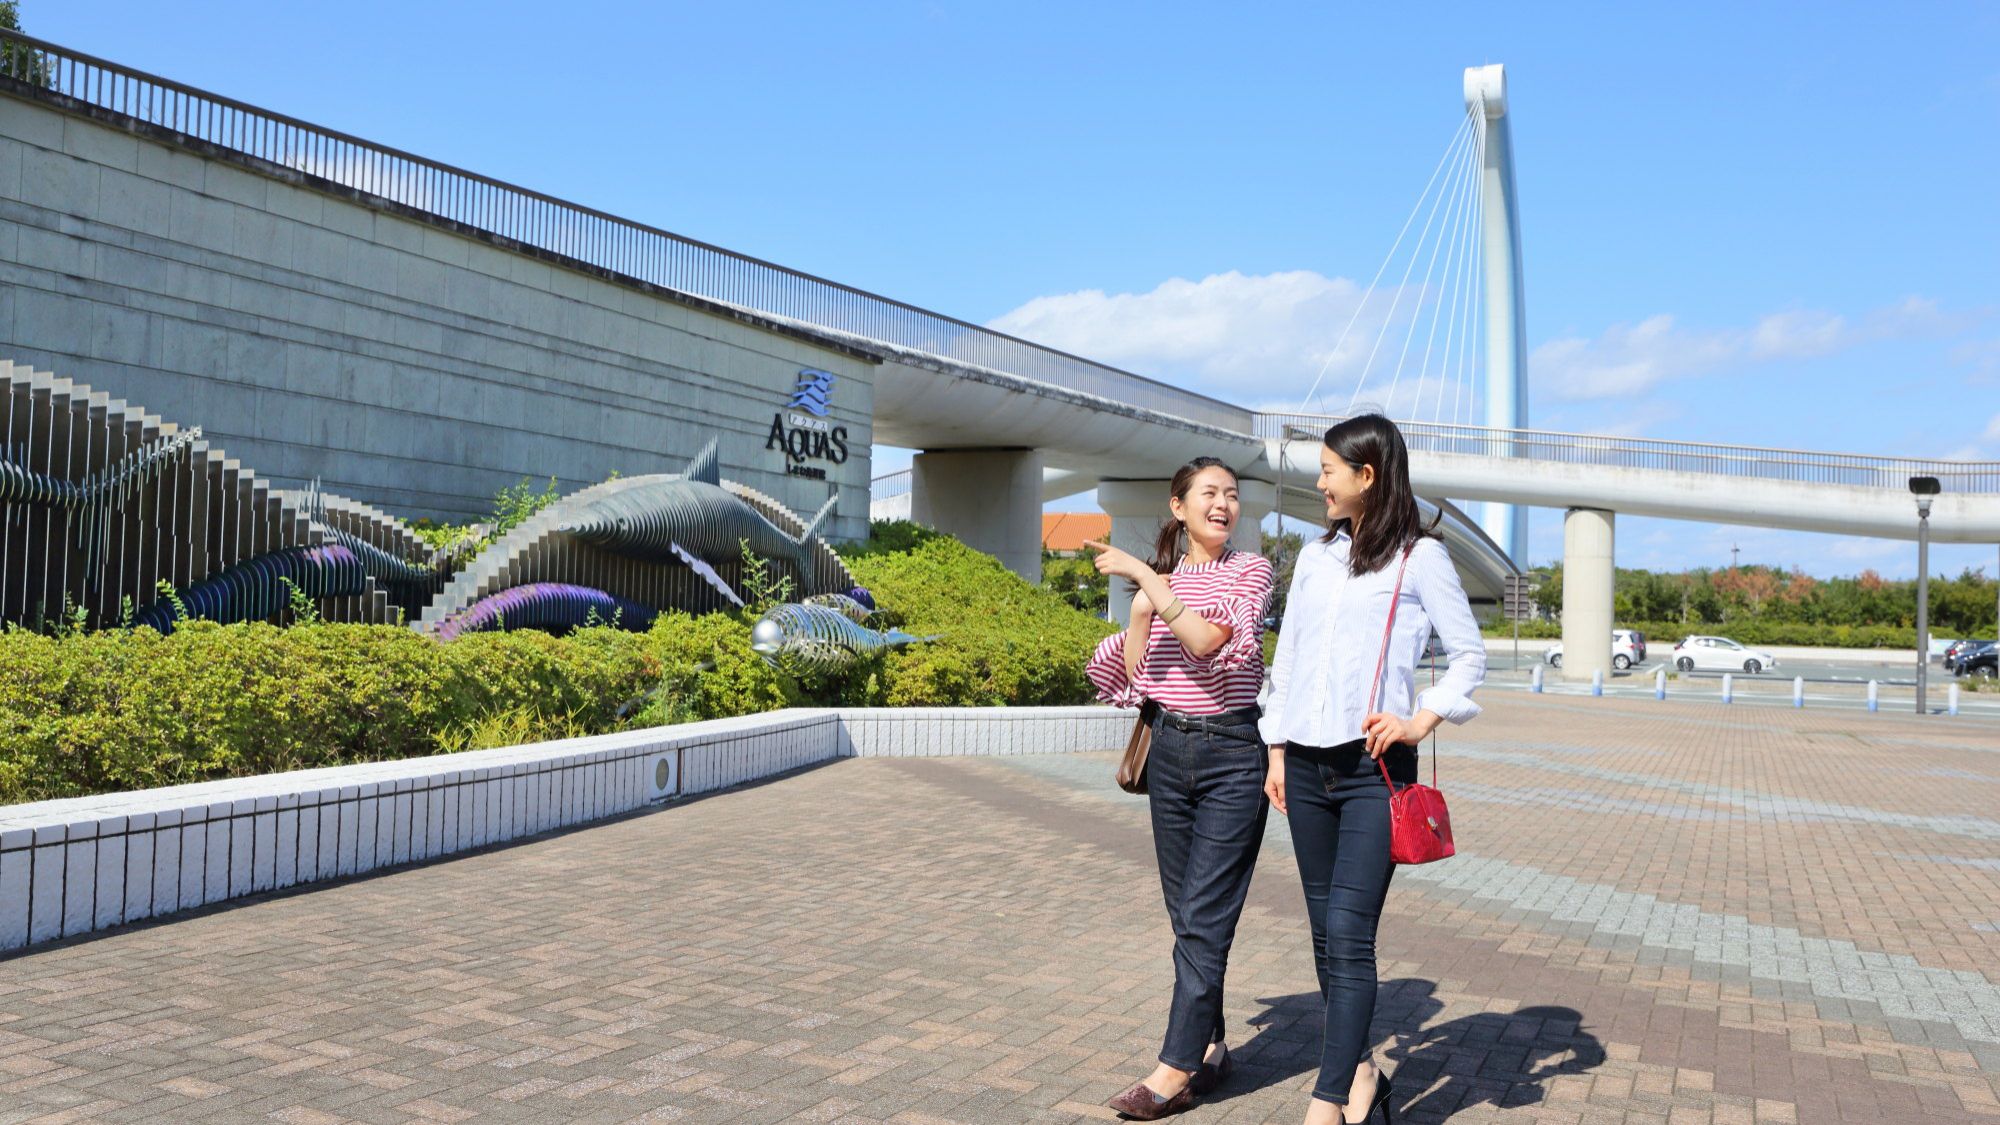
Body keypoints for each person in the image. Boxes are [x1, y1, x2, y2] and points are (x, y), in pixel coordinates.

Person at [1261, 415, 1486, 1125]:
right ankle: (1361, 1075)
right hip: (1303, 764)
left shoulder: (1422, 558)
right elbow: (1289, 655)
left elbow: (1469, 653)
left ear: (1368, 476)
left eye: (1330, 469)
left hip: (1373, 770)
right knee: (1325, 935)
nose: (1319, 481)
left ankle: (1325, 1106)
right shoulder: (1315, 556)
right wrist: (1274, 744)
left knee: (1351, 933)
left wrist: (1423, 716)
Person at [1081, 456, 1275, 1121]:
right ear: (1179, 507)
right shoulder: (1163, 583)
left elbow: (1207, 641)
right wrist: (1141, 609)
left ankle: (1174, 1066)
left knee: (1202, 915)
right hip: (1168, 750)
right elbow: (1138, 675)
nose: (1223, 504)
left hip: (1230, 755)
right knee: (1184, 911)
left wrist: (1143, 577)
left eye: (1232, 494)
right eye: (1209, 494)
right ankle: (1214, 1043)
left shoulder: (1250, 571)